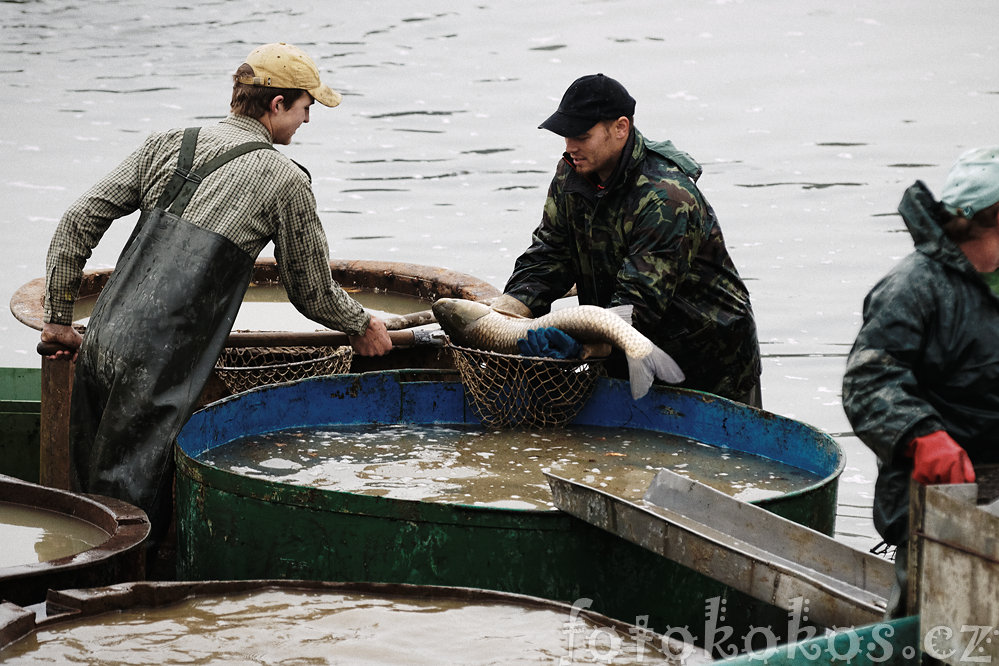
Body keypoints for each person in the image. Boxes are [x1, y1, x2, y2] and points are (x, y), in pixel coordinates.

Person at [39, 42, 393, 563]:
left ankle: (77, 594)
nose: (307, 121)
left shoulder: (169, 143)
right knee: (135, 522)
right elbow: (310, 291)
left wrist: (59, 319)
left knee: (94, 503)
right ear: (276, 105)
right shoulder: (283, 180)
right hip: (160, 367)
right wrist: (361, 324)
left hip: (101, 344)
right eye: (305, 108)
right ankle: (125, 612)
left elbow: (77, 220)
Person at [494, 73, 762, 406]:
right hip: (626, 350)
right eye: (565, 136)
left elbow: (638, 305)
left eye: (581, 135)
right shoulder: (572, 172)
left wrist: (578, 343)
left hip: (711, 366)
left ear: (621, 128)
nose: (570, 147)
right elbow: (549, 253)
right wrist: (512, 310)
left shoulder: (667, 197)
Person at [842, 146, 999, 617]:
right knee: (943, 632)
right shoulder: (914, 288)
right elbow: (868, 381)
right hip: (940, 495)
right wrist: (922, 436)